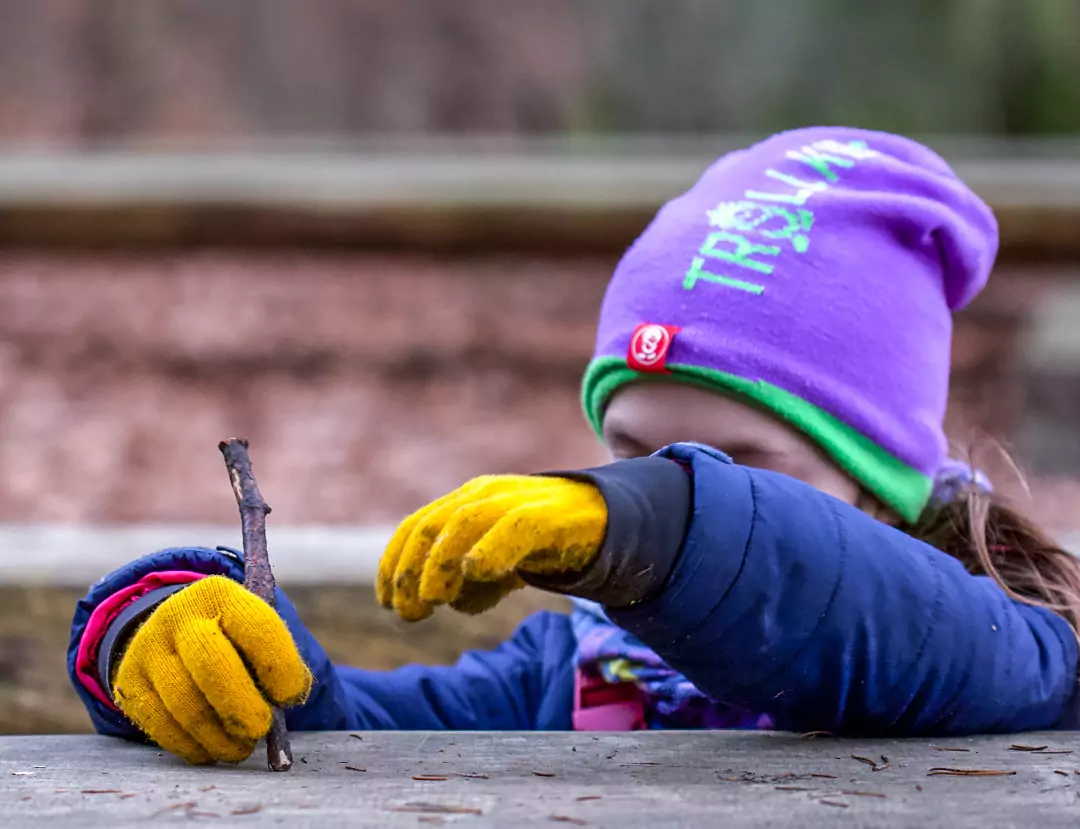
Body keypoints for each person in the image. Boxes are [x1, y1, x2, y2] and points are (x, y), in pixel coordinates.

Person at [68, 128, 1080, 765]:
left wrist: (662, 527)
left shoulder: (1014, 649)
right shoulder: (580, 673)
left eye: (734, 464)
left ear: (881, 491)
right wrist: (160, 635)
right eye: (630, 452)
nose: (659, 485)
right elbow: (348, 735)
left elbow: (869, 618)